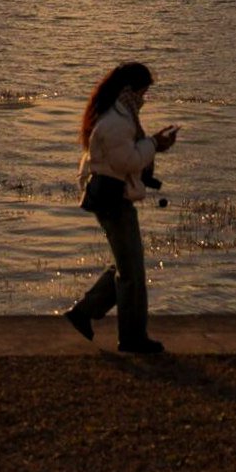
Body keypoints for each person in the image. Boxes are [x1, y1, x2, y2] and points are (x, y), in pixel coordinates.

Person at [62, 61, 179, 353]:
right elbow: (126, 161)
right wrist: (154, 144)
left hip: (115, 197)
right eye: (143, 91)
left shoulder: (119, 114)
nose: (144, 98)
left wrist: (153, 144)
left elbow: (126, 158)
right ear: (131, 89)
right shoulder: (118, 121)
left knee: (128, 266)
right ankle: (131, 338)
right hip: (113, 200)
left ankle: (84, 312)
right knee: (131, 273)